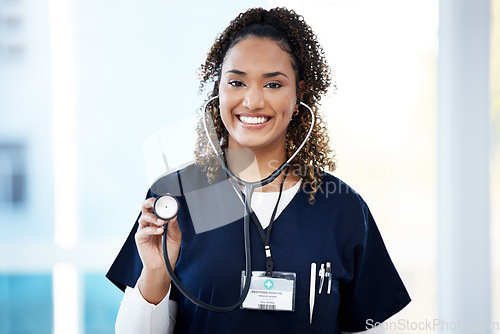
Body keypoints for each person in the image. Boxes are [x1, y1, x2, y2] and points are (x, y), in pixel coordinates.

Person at [106, 7, 411, 333]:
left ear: (299, 96)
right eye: (237, 82)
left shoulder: (342, 209)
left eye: (273, 85)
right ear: (218, 91)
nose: (252, 101)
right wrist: (155, 272)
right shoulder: (177, 197)